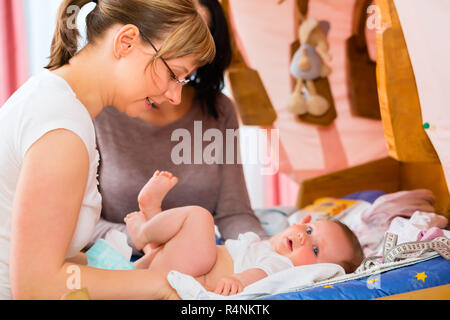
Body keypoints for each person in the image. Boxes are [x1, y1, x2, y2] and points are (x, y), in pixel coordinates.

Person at [0, 0, 215, 300]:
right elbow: (36, 288)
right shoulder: (62, 129)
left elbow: (30, 257)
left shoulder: (54, 103)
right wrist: (162, 285)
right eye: (172, 74)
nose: (175, 96)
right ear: (126, 42)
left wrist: (117, 269)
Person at [89, 0, 266, 256]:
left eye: (198, 34)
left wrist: (265, 254)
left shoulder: (218, 110)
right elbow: (77, 230)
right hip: (129, 263)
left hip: (197, 262)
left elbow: (234, 213)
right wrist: (149, 239)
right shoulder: (94, 111)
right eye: (182, 32)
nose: (173, 96)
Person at [125, 171, 365, 296]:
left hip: (191, 276)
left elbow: (260, 273)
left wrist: (239, 280)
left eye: (314, 249)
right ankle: (152, 220)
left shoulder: (283, 264)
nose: (305, 238)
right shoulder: (267, 245)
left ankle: (144, 231)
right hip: (179, 266)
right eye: (309, 230)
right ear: (301, 221)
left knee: (199, 217)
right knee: (174, 242)